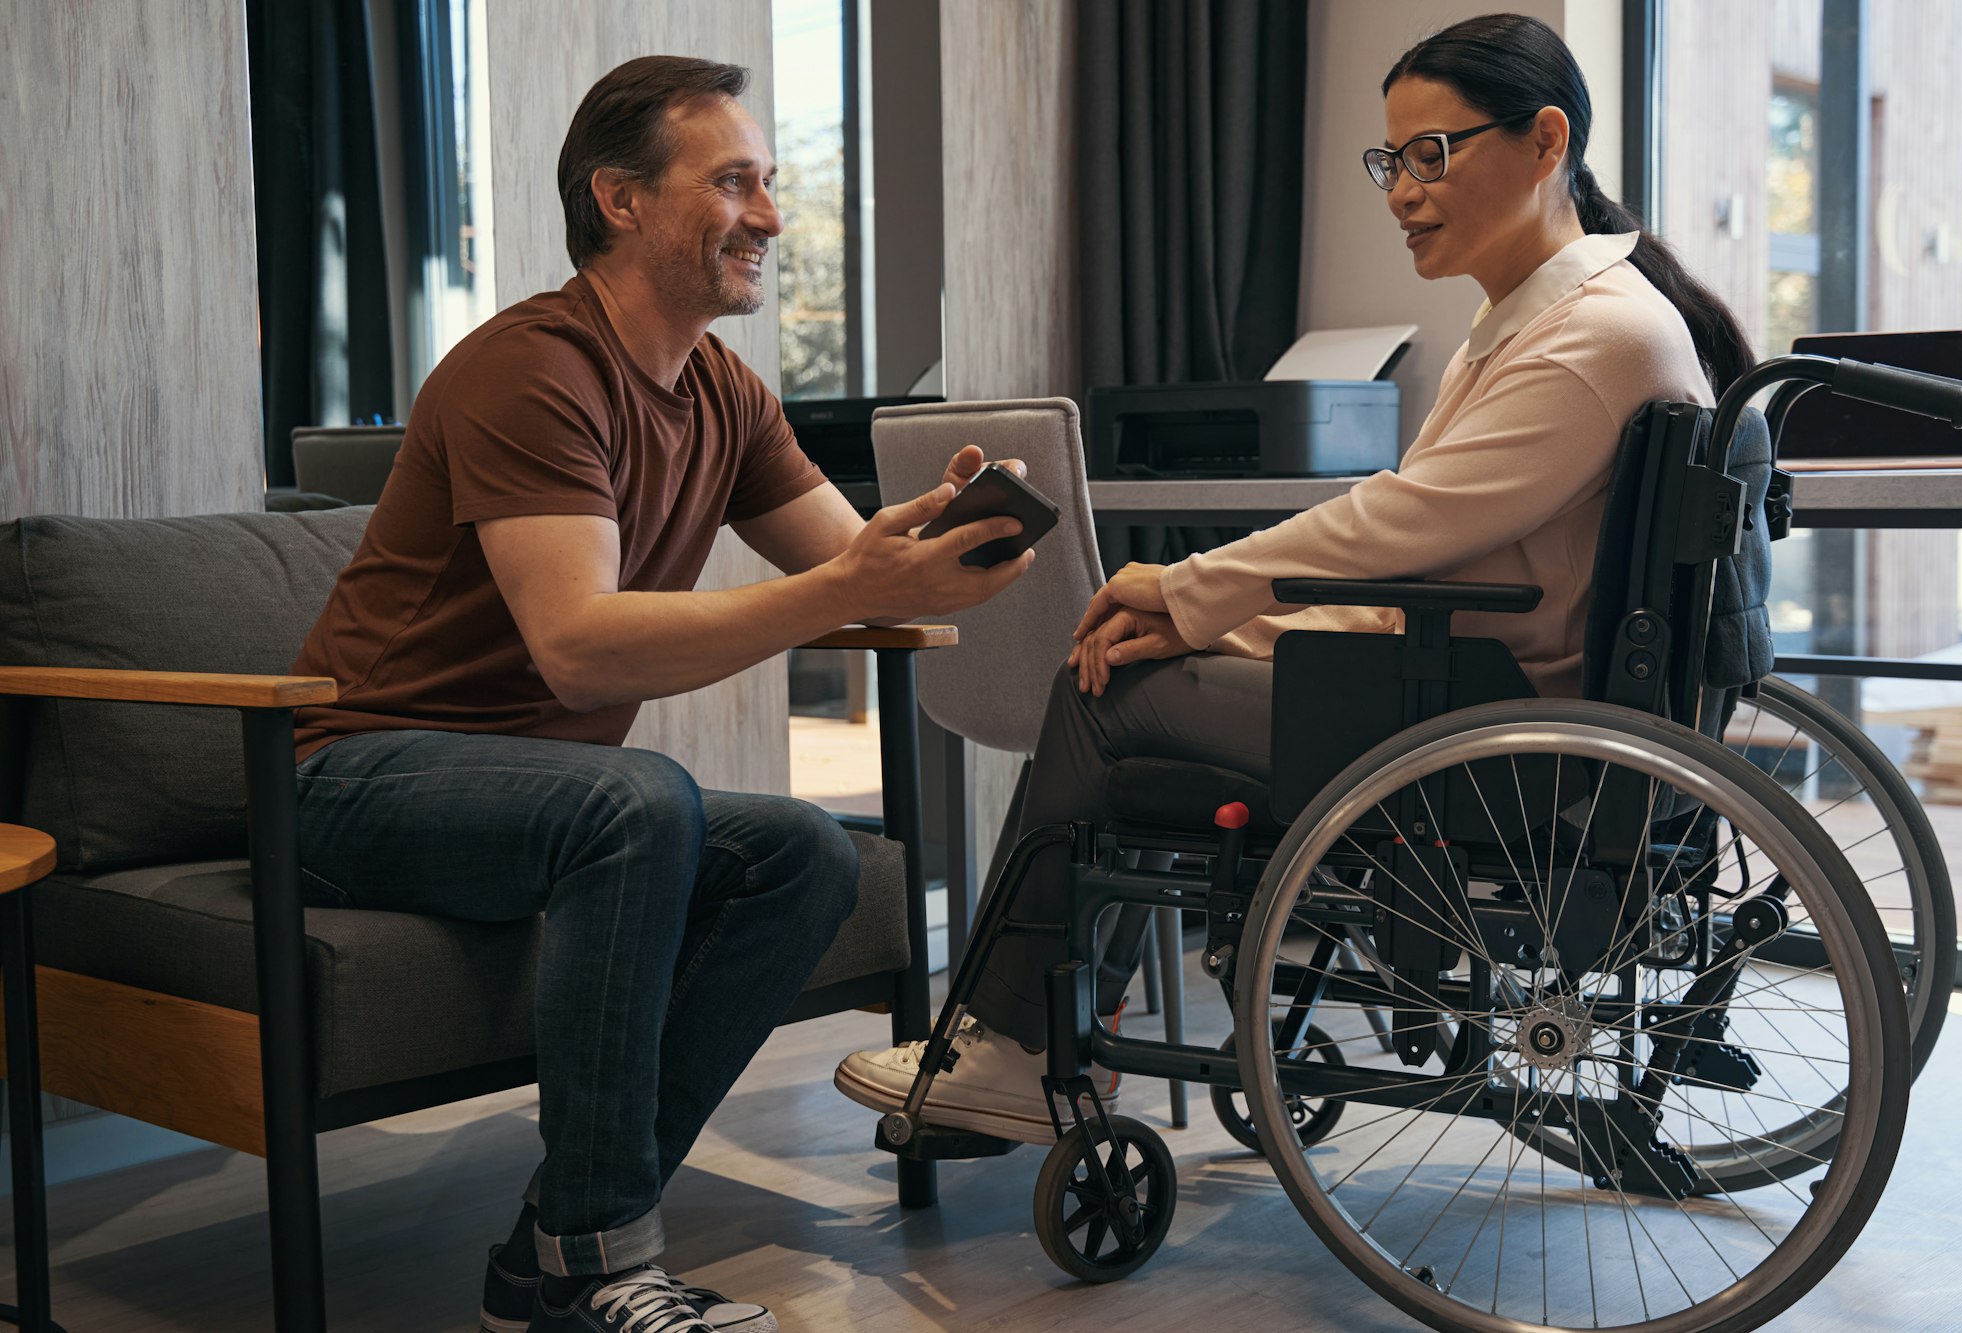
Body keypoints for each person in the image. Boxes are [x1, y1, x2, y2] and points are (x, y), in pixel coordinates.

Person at [835, 12, 1751, 1143]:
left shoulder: (1592, 335)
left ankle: (1020, 1046)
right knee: (1137, 664)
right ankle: (1046, 1031)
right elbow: (1428, 554)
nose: (1402, 189)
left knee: (1105, 692)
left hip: (1489, 732)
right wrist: (1219, 626)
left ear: (1544, 141)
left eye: (1433, 153)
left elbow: (1402, 524)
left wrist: (1187, 593)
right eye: (1390, 160)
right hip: (1470, 694)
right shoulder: (1540, 321)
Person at [290, 56, 1032, 1333]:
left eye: (770, 183)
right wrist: (849, 582)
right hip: (357, 775)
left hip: (539, 795)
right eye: (733, 182)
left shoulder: (723, 390)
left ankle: (552, 1245)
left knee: (804, 851)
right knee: (636, 803)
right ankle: (596, 1264)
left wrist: (924, 549)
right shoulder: (531, 370)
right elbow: (577, 648)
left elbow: (847, 574)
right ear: (620, 200)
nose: (770, 216)